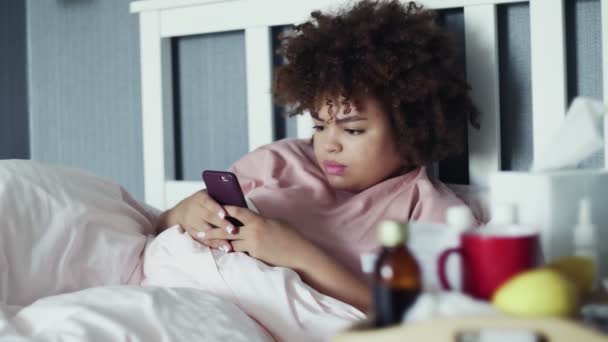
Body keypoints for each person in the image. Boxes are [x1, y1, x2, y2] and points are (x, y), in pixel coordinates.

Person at [154, 0, 479, 313]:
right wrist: (183, 213)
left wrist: (299, 255)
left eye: (352, 130)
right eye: (320, 126)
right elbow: (161, 227)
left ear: (412, 128)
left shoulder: (427, 209)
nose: (329, 145)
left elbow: (415, 320)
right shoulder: (279, 161)